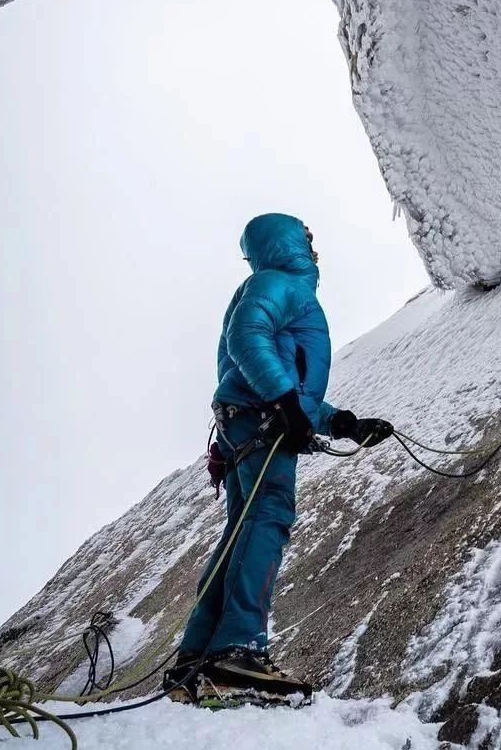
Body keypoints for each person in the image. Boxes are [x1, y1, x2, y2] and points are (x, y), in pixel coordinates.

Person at [163, 213, 393, 704]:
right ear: (285, 242)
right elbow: (248, 341)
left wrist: (343, 423)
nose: (314, 247)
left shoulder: (266, 287)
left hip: (246, 422)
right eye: (307, 238)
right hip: (263, 423)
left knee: (239, 533)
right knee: (268, 520)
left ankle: (195, 660)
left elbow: (269, 371)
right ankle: (236, 651)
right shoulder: (282, 283)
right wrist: (286, 404)